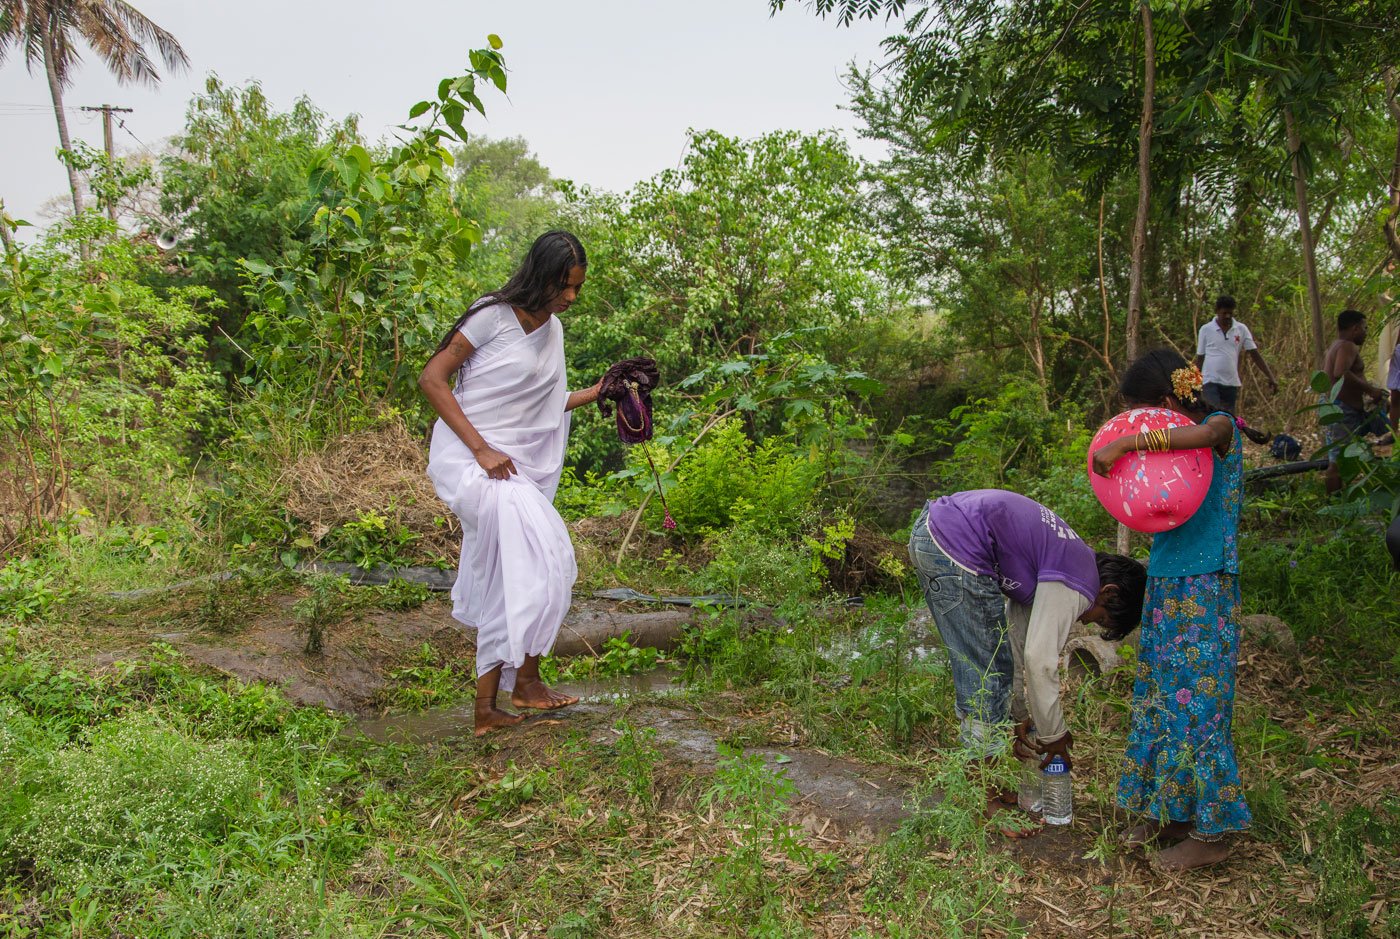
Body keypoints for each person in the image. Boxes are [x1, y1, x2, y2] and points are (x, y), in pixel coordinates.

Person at [419, 231, 602, 736]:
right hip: (470, 461)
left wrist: (601, 391)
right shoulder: (490, 317)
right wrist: (480, 448)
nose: (570, 298)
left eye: (577, 289)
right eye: (564, 286)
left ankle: (499, 702)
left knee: (523, 568)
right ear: (541, 276)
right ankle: (522, 684)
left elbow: (546, 406)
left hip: (512, 468)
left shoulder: (554, 332)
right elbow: (432, 379)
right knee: (544, 558)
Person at [1091, 349, 1249, 871]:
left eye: (1142, 414)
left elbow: (1203, 438)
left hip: (1205, 590)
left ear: (1165, 404)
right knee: (1162, 698)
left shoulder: (1220, 425)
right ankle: (1173, 811)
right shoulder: (1169, 447)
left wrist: (1130, 441)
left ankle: (1214, 832)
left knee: (1200, 705)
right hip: (1167, 585)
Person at [907, 489, 1146, 831]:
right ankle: (983, 797)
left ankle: (989, 782)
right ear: (1109, 592)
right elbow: (1040, 661)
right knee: (984, 674)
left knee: (992, 666)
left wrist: (1021, 716)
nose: (1086, 622)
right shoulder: (1080, 578)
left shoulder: (1054, 562)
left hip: (937, 532)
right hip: (954, 543)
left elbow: (1018, 647)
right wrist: (1055, 736)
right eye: (1101, 618)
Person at [1321, 309, 1389, 494]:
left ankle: (1337, 499)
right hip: (1340, 409)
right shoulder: (1347, 346)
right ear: (1355, 328)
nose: (1366, 332)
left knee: (1341, 457)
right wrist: (1371, 390)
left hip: (1339, 408)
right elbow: (1340, 373)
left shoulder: (1336, 345)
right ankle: (1333, 505)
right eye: (1365, 328)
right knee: (1337, 462)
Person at [1194, 295, 1278, 413]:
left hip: (1231, 382)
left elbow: (1254, 354)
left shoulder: (1241, 329)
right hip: (1210, 381)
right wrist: (1194, 382)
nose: (1227, 316)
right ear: (1217, 311)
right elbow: (1200, 357)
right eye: (1224, 313)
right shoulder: (1206, 329)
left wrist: (1271, 377)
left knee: (1228, 419)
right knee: (1213, 415)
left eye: (1230, 313)